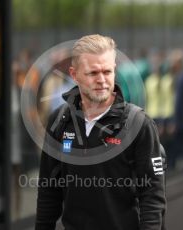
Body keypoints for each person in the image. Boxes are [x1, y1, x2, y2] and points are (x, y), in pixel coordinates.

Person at [35, 34, 166, 230]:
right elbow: (48, 192)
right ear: (74, 74)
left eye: (107, 71)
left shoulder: (139, 124)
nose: (102, 80)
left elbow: (153, 198)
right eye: (93, 73)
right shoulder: (59, 121)